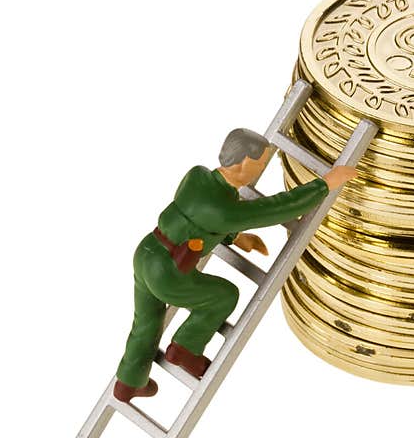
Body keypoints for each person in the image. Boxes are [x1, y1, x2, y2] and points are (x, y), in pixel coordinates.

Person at [113, 128, 357, 402]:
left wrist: (237, 237)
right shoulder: (223, 211)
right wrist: (324, 184)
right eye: (261, 164)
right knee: (223, 296)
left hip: (147, 253)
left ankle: (128, 383)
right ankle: (186, 348)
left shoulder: (197, 175)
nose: (262, 168)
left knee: (146, 322)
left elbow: (195, 217)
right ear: (243, 163)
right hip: (169, 271)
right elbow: (274, 209)